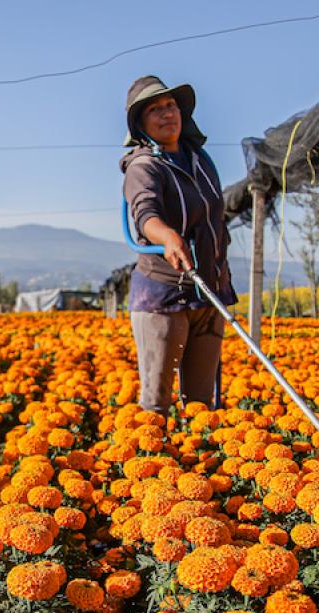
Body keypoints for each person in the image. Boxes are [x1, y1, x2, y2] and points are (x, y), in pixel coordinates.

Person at [120, 75, 236, 414]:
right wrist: (168, 237)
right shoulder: (143, 166)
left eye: (170, 105)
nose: (167, 113)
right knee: (157, 405)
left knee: (202, 406)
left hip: (209, 292)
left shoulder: (201, 162)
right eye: (155, 109)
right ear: (141, 125)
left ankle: (197, 460)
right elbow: (145, 214)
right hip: (164, 295)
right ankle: (152, 460)